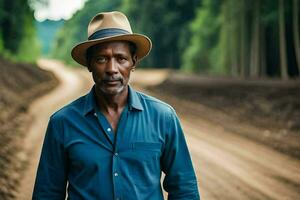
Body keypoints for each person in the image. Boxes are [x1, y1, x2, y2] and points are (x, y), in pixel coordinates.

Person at [33, 11, 200, 200]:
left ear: (133, 62)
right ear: (89, 64)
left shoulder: (163, 117)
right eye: (101, 59)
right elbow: (46, 194)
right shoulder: (62, 123)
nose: (112, 69)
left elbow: (184, 188)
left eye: (121, 59)